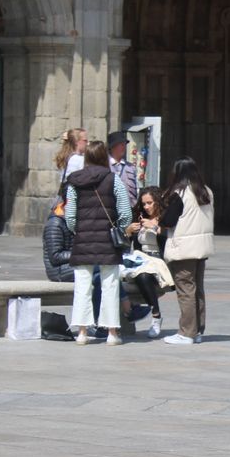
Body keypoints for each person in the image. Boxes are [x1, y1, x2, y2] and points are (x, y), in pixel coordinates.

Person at [63, 140, 132, 345]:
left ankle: (82, 332)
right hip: (107, 241)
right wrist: (118, 228)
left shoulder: (74, 181)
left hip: (83, 240)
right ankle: (111, 333)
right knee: (110, 285)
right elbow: (126, 212)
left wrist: (79, 230)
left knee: (82, 286)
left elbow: (70, 216)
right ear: (103, 157)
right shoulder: (113, 179)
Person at [160, 156, 213, 346]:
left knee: (185, 290)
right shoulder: (206, 192)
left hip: (183, 249)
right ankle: (198, 330)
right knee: (197, 289)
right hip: (201, 248)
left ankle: (186, 332)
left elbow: (167, 221)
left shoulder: (180, 194)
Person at [128, 186, 170, 339]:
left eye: (150, 203)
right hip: (140, 259)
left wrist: (155, 227)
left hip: (159, 261)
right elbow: (126, 243)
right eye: (144, 204)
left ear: (157, 201)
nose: (146, 207)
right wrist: (128, 231)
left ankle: (156, 315)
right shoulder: (139, 218)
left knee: (144, 276)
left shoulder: (166, 218)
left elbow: (171, 238)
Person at [107, 131, 139, 209]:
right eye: (121, 144)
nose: (124, 147)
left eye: (124, 144)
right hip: (110, 209)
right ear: (112, 146)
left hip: (129, 209)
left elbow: (136, 190)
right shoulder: (104, 166)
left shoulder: (130, 167)